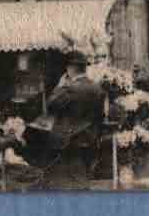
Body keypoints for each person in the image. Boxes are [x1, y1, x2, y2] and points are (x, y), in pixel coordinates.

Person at [23, 51, 107, 190]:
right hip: (89, 139)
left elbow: (50, 105)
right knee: (80, 177)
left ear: (70, 68)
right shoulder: (97, 88)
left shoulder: (69, 88)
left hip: (67, 141)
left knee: (63, 180)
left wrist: (60, 85)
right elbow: (101, 115)